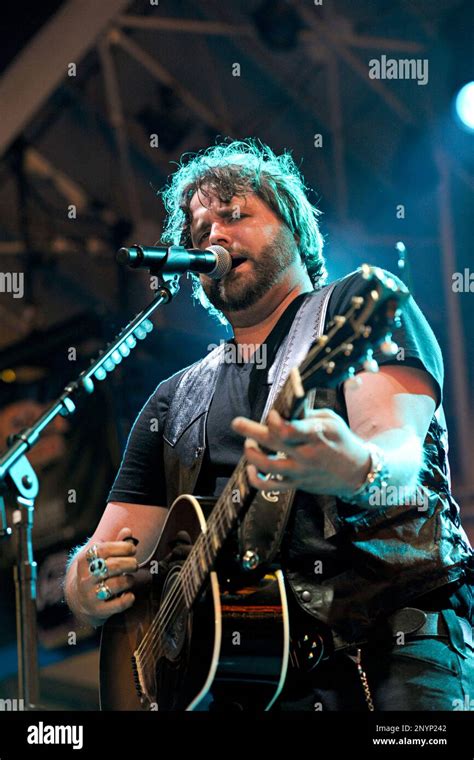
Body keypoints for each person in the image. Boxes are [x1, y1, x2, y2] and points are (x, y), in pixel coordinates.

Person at [64, 139, 473, 711]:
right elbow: (111, 553)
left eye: (235, 216)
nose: (213, 237)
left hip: (388, 649)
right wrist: (84, 586)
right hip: (249, 684)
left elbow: (402, 461)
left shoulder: (350, 311)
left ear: (297, 230)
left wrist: (357, 468)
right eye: (200, 229)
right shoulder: (172, 400)